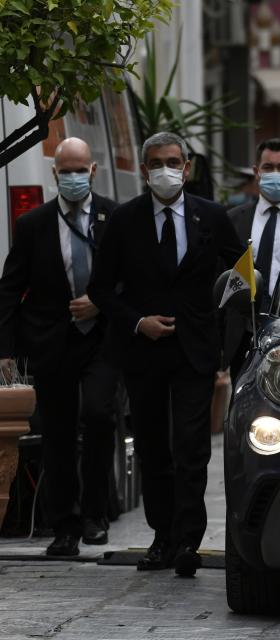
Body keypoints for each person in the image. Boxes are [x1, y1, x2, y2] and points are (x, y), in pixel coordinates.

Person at [88, 132, 244, 576]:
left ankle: (188, 542)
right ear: (143, 169)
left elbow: (241, 272)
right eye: (156, 162)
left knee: (191, 448)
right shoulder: (124, 220)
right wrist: (139, 321)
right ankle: (162, 537)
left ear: (187, 166)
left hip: (195, 351)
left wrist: (221, 324)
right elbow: (101, 288)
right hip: (144, 351)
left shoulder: (211, 217)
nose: (165, 170)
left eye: (173, 161)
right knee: (154, 448)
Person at [0, 138, 120, 556]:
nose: (72, 177)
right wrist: (6, 348)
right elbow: (11, 285)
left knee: (99, 415)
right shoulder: (34, 224)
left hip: (102, 339)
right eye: (64, 170)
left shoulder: (113, 217)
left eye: (79, 169)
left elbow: (129, 277)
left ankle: (95, 514)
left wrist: (100, 303)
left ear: (93, 170)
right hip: (53, 341)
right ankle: (64, 525)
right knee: (58, 433)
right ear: (55, 173)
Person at [225, 139, 280, 377]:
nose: (275, 174)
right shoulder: (233, 219)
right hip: (243, 335)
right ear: (256, 172)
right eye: (268, 167)